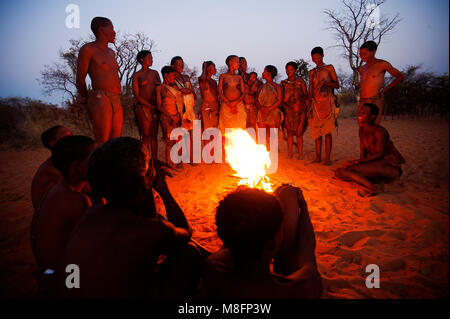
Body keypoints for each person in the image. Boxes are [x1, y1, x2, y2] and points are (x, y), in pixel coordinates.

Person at [56, 137, 205, 298]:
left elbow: (148, 218)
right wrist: (162, 188)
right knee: (191, 252)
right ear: (144, 183)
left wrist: (145, 179)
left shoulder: (92, 213)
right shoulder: (152, 231)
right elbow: (186, 233)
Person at [202, 184, 322, 299]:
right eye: (281, 229)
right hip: (277, 280)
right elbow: (307, 248)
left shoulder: (212, 268)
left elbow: (232, 232)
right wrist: (304, 208)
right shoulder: (300, 289)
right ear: (272, 243)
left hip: (236, 266)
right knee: (288, 193)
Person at [31, 135, 95, 295]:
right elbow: (98, 241)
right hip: (65, 277)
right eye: (94, 159)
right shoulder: (77, 200)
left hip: (48, 271)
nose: (99, 162)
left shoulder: (58, 189)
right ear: (77, 167)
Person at [335, 103, 405, 197]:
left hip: (388, 166)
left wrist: (356, 162)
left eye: (364, 113)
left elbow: (380, 154)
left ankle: (373, 188)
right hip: (375, 164)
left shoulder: (380, 131)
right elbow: (363, 152)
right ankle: (371, 182)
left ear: (372, 116)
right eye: (360, 111)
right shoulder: (362, 130)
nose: (360, 114)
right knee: (340, 172)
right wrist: (359, 164)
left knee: (350, 170)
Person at [76, 17, 123, 144]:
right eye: (111, 28)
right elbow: (80, 79)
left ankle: (112, 164)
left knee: (115, 142)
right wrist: (87, 101)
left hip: (116, 97)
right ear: (101, 29)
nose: (114, 32)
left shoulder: (111, 52)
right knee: (102, 141)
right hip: (100, 96)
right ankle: (97, 163)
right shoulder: (88, 49)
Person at [307, 47, 339, 165]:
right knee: (317, 132)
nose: (316, 60)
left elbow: (337, 85)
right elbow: (310, 89)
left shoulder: (329, 68)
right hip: (315, 103)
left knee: (327, 131)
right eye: (313, 58)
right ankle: (318, 157)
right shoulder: (312, 72)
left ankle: (327, 159)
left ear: (323, 56)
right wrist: (308, 104)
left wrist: (325, 82)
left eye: (318, 58)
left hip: (327, 102)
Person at [358, 41, 404, 124]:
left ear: (373, 52)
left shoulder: (382, 64)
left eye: (365, 54)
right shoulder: (362, 69)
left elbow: (400, 76)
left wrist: (384, 90)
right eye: (360, 54)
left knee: (373, 127)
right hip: (362, 101)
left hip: (375, 100)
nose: (362, 56)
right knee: (361, 127)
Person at [31, 126, 73, 210]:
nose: (72, 140)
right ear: (53, 143)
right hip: (48, 215)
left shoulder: (60, 161)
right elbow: (76, 187)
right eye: (67, 137)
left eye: (72, 136)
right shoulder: (52, 167)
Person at [132, 50, 162, 158]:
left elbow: (160, 88)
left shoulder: (155, 73)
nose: (152, 59)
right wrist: (149, 106)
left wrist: (158, 105)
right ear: (142, 60)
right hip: (143, 107)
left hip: (155, 106)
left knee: (153, 136)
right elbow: (137, 95)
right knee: (145, 135)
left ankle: (155, 160)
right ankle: (146, 160)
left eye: (152, 57)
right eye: (149, 58)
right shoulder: (137, 75)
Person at [156, 66, 183, 167]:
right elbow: (159, 105)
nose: (173, 78)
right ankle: (168, 164)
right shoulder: (160, 88)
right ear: (165, 75)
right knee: (169, 142)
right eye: (172, 76)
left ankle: (178, 162)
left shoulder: (175, 88)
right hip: (166, 117)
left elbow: (180, 103)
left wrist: (179, 116)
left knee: (178, 140)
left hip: (176, 116)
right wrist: (169, 116)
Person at [281, 62, 308, 159]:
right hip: (288, 110)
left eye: (291, 70)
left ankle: (300, 153)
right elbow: (281, 98)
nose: (288, 72)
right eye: (287, 70)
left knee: (299, 133)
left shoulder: (300, 81)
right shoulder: (283, 83)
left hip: (300, 109)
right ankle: (289, 153)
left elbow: (306, 94)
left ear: (295, 70)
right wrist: (286, 107)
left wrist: (299, 102)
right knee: (289, 133)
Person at [218, 55, 247, 133]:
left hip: (238, 106)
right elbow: (220, 92)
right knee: (226, 129)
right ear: (230, 63)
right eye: (237, 62)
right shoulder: (223, 76)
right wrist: (229, 104)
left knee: (239, 129)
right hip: (226, 106)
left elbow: (243, 93)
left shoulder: (239, 77)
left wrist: (235, 103)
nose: (239, 64)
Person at [256, 65, 283, 149]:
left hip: (274, 111)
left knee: (273, 133)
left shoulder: (277, 86)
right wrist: (262, 108)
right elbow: (256, 100)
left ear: (269, 73)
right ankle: (262, 151)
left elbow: (279, 100)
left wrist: (268, 109)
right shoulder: (261, 87)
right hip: (262, 112)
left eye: (264, 71)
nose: (263, 73)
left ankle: (273, 152)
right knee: (262, 133)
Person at [198, 61, 219, 130]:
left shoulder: (214, 82)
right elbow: (202, 79)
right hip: (206, 107)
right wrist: (204, 67)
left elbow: (216, 95)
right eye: (213, 67)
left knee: (215, 129)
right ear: (208, 69)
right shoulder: (202, 80)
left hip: (215, 107)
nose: (215, 69)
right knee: (207, 131)